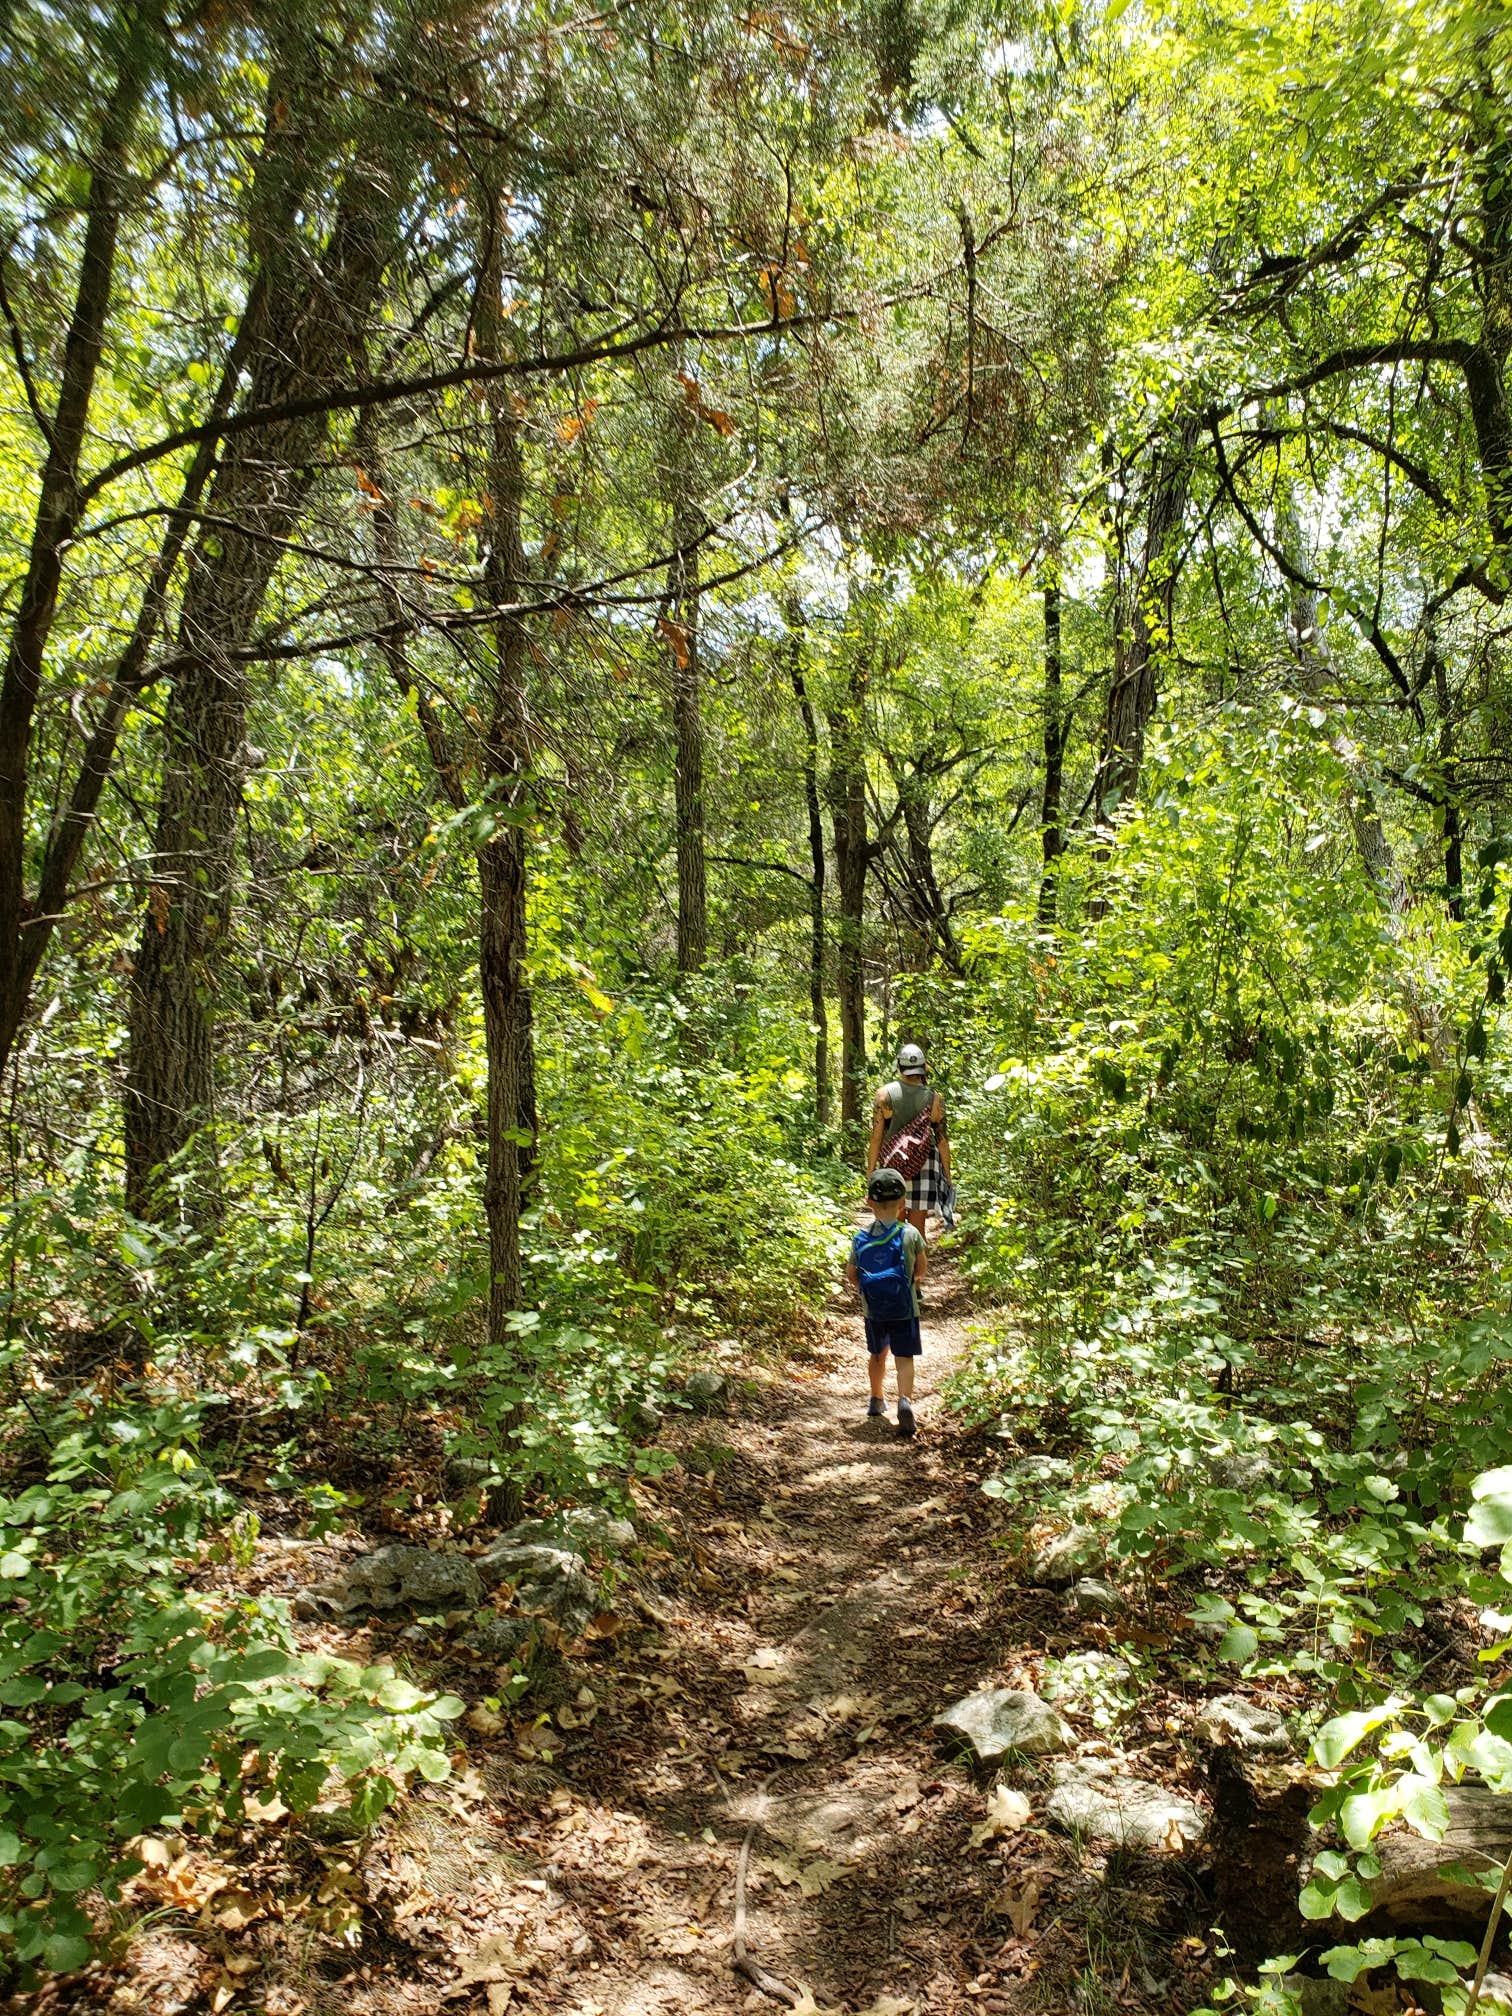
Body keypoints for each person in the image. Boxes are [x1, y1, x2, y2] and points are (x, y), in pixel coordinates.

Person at [846, 1166, 927, 1437]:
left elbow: (851, 1275)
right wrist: (911, 1283)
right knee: (904, 1358)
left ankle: (876, 1398)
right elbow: (921, 1271)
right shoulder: (911, 1234)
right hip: (905, 1307)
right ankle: (904, 1400)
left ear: (869, 1202)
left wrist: (865, 1290)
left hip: (874, 1310)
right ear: (902, 1202)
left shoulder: (860, 1238)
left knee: (878, 1355)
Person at [866, 1042, 952, 1244]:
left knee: (892, 1225)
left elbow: (876, 1137)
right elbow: (941, 1140)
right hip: (925, 1163)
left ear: (899, 1067)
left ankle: (894, 1271)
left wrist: (871, 1171)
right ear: (923, 1067)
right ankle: (915, 1273)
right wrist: (948, 1175)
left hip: (893, 1165)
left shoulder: (883, 1095)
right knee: (917, 1228)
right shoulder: (935, 1099)